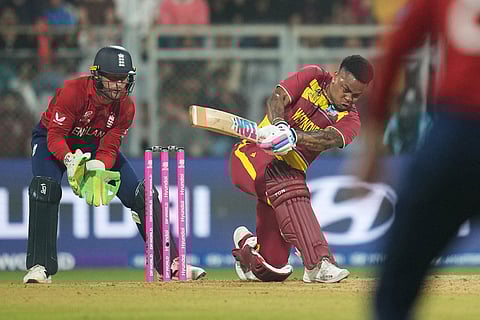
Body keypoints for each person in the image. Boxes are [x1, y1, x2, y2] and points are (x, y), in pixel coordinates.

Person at [23, 45, 206, 283]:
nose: (119, 85)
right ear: (96, 75)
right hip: (53, 142)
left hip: (95, 144)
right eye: (113, 79)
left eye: (124, 79)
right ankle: (40, 267)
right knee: (44, 189)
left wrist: (99, 165)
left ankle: (170, 264)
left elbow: (109, 146)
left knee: (143, 194)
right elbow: (55, 135)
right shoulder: (72, 92)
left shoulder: (126, 107)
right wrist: (70, 160)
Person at [354, 0, 480, 318]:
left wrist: (373, 144)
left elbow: (396, 47)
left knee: (395, 288)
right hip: (455, 130)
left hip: (457, 136)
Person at [230, 55, 374, 282]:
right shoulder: (313, 76)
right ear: (336, 76)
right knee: (289, 183)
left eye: (356, 95)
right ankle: (318, 263)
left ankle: (246, 249)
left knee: (273, 267)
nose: (349, 98)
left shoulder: (352, 120)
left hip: (287, 179)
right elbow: (277, 98)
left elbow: (327, 139)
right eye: (346, 89)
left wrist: (294, 136)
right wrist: (278, 125)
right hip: (252, 154)